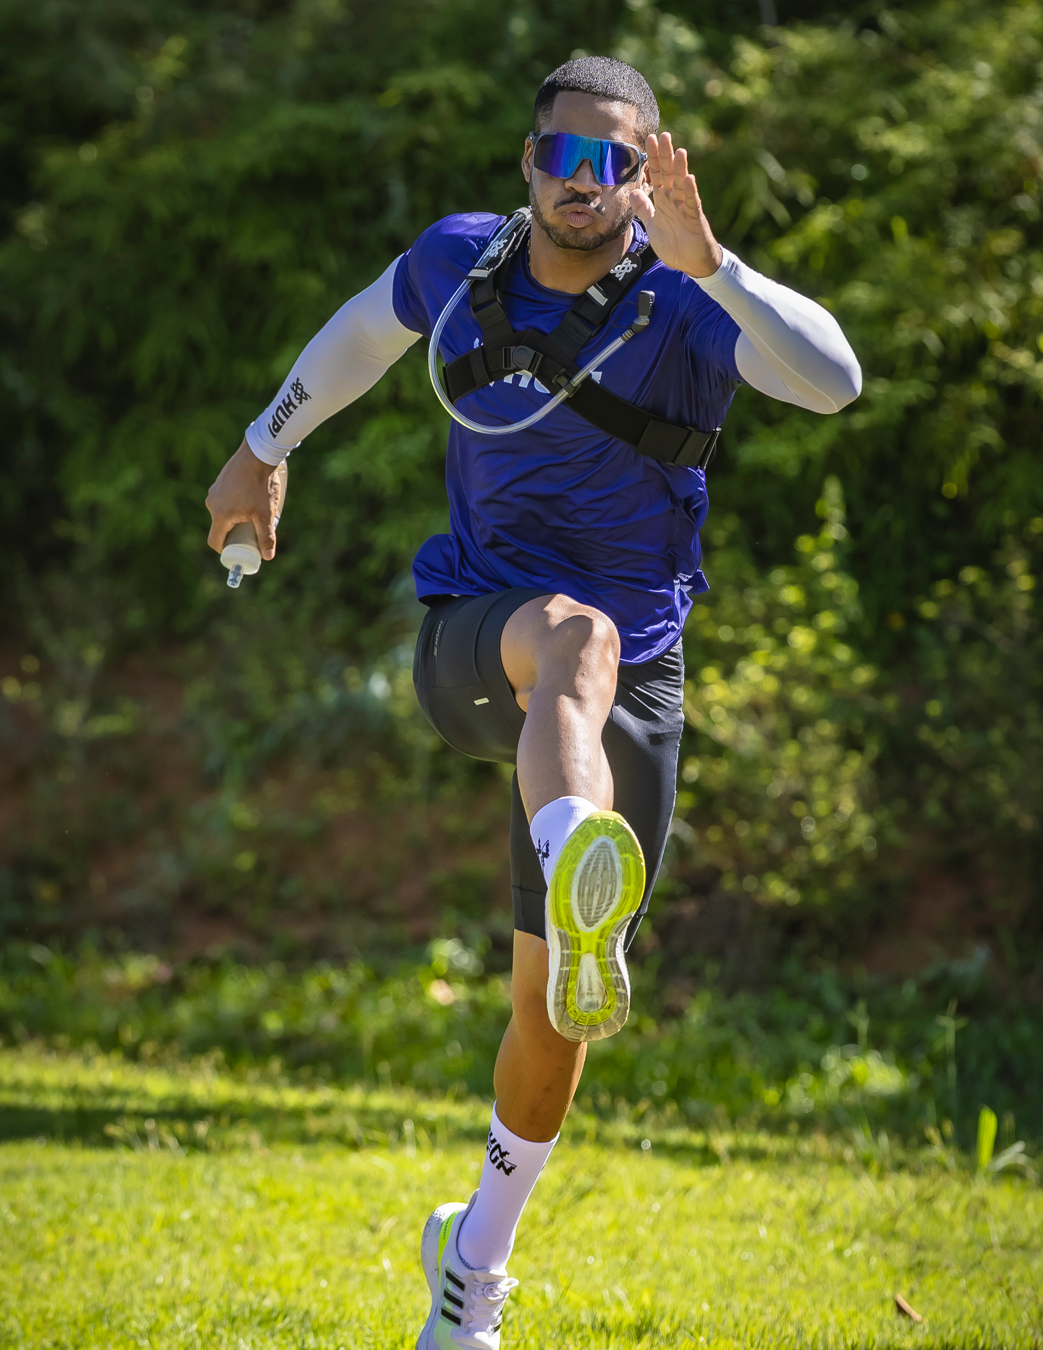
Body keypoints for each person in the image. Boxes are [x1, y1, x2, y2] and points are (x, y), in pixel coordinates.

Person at [206, 55, 861, 1350]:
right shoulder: (464, 260)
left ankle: (474, 1265)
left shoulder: (687, 298)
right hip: (478, 637)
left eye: (617, 162)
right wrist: (262, 447)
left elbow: (834, 383)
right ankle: (578, 858)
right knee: (572, 632)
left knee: (553, 1011)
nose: (588, 182)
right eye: (568, 156)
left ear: (651, 168)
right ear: (528, 159)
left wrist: (712, 260)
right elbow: (357, 338)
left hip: (637, 685)